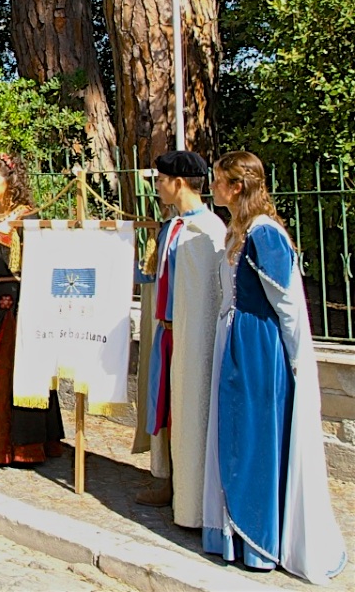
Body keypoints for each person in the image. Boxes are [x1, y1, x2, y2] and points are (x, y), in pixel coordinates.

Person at [202, 151, 347, 582]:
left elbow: (289, 306)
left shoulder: (265, 235)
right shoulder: (239, 231)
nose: (214, 187)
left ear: (237, 187)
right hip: (237, 341)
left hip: (259, 349)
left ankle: (259, 539)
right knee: (235, 434)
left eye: (219, 180)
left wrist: (300, 362)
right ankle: (236, 535)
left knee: (254, 439)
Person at [132, 151, 225, 530]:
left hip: (192, 335)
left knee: (190, 407)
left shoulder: (209, 232)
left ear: (180, 182)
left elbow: (207, 296)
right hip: (167, 333)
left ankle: (193, 493)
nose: (157, 186)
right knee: (166, 406)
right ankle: (168, 478)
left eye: (161, 179)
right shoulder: (172, 227)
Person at [0, 153, 64, 464]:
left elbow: (40, 264)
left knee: (15, 370)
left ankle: (20, 447)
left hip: (17, 303)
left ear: (10, 181)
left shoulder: (27, 217)